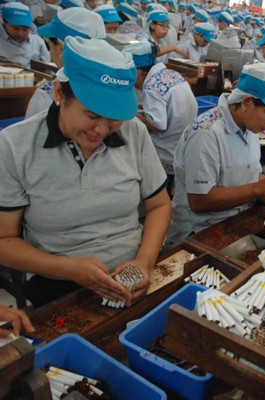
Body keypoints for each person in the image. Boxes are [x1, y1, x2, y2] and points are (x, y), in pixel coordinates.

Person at [0, 37, 171, 308]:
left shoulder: (133, 132)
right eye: (92, 115)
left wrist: (144, 261)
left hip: (132, 274)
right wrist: (69, 268)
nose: (102, 130)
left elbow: (159, 205)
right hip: (57, 282)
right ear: (59, 94)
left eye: (114, 117)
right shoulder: (14, 146)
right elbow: (5, 239)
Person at [166, 64, 265, 245]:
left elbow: (247, 175)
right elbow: (199, 200)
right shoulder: (206, 133)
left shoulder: (249, 127)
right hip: (200, 234)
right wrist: (260, 188)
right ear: (246, 102)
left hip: (237, 221)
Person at [123, 40, 196, 192]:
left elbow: (158, 124)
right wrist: (139, 107)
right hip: (183, 145)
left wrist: (131, 113)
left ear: (137, 72)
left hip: (165, 152)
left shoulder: (151, 87)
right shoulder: (170, 74)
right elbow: (166, 106)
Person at [25, 8, 106, 119]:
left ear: (61, 47)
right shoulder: (113, 83)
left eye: (51, 46)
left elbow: (31, 133)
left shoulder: (49, 92)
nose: (50, 51)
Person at [0, 2, 50, 68]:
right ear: (5, 22)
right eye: (16, 28)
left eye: (25, 29)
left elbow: (47, 67)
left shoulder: (37, 41)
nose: (20, 33)